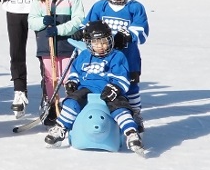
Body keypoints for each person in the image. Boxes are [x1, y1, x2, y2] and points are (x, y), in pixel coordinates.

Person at [45, 21, 143, 153]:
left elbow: (123, 78)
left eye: (104, 41)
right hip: (87, 88)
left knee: (119, 106)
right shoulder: (84, 55)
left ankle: (131, 133)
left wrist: (115, 88)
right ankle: (61, 128)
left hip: (108, 89)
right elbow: (75, 72)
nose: (101, 46)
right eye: (96, 42)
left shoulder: (117, 56)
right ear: (88, 42)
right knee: (72, 101)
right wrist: (72, 82)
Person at [86, 0, 150, 131]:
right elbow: (88, 25)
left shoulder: (135, 7)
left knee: (132, 85)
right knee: (108, 83)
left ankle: (135, 113)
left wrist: (127, 35)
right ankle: (108, 112)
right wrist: (82, 31)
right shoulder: (99, 6)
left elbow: (142, 29)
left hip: (129, 56)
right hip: (106, 57)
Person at [27, 0, 86, 125]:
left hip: (67, 45)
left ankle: (69, 108)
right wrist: (43, 22)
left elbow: (78, 20)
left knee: (68, 77)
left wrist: (60, 30)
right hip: (47, 45)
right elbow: (31, 21)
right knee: (50, 78)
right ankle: (52, 106)